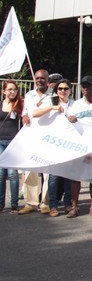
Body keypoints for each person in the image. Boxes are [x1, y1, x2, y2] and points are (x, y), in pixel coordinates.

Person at [66, 75, 92, 218]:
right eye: (83, 86)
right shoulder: (76, 104)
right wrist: (71, 119)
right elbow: (68, 121)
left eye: (87, 86)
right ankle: (74, 206)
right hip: (80, 143)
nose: (85, 88)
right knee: (76, 176)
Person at [32, 78, 75, 217]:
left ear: (70, 90)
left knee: (68, 176)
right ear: (56, 91)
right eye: (60, 89)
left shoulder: (74, 104)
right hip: (54, 145)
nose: (63, 91)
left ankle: (68, 204)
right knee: (54, 176)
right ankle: (53, 205)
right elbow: (35, 113)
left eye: (65, 89)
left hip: (69, 145)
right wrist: (51, 108)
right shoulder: (51, 101)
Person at [19, 69, 52, 215]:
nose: (39, 80)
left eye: (42, 78)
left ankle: (45, 203)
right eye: (37, 78)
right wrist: (24, 116)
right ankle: (31, 203)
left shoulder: (53, 94)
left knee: (47, 173)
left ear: (47, 79)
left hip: (48, 138)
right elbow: (25, 111)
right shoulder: (29, 95)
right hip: (32, 137)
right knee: (30, 171)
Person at [1, 80, 24, 213]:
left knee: (12, 173)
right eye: (9, 89)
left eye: (14, 89)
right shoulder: (0, 105)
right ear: (4, 91)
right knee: (0, 174)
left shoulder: (19, 105)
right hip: (0, 141)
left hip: (13, 142)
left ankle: (14, 203)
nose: (12, 92)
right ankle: (1, 203)